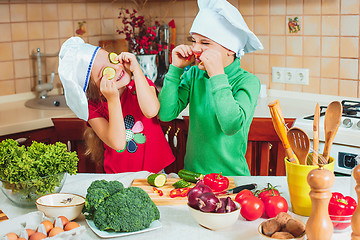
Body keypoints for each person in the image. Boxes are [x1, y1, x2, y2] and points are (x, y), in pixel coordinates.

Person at [158, 0, 263, 176]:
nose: (196, 49)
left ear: (230, 49)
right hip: (192, 176)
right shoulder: (193, 75)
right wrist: (175, 69)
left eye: (205, 43)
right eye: (194, 41)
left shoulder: (248, 82)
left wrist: (217, 76)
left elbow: (231, 125)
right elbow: (165, 113)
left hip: (231, 179)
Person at [58, 37, 174, 174]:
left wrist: (137, 69)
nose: (116, 68)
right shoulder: (93, 109)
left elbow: (151, 110)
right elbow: (118, 143)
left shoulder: (138, 85)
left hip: (156, 173)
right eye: (105, 72)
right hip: (120, 177)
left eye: (111, 59)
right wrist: (113, 100)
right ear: (94, 89)